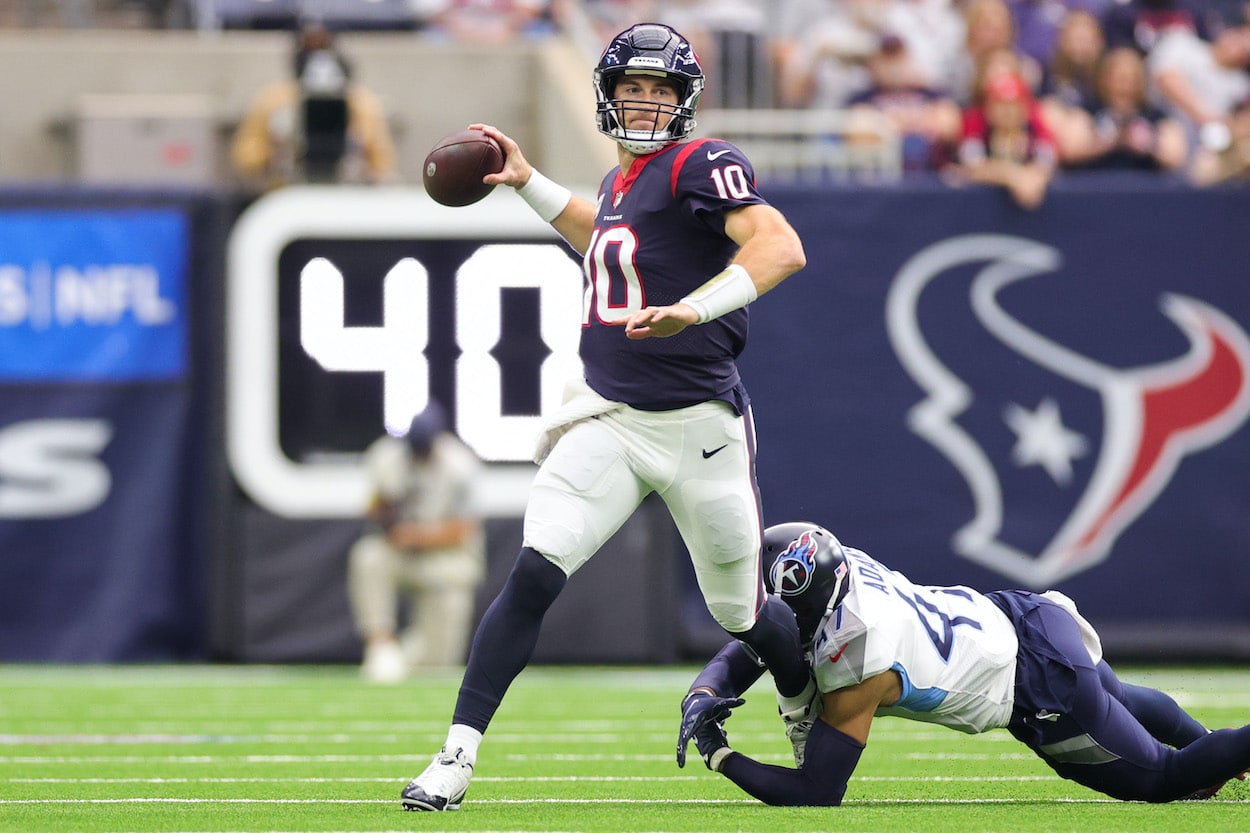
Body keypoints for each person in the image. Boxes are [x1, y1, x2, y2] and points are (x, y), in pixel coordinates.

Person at [399, 22, 814, 812]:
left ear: (685, 101)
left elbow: (780, 246)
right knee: (532, 571)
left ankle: (801, 705)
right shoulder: (622, 182)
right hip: (613, 418)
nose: (648, 104)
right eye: (634, 89)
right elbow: (607, 244)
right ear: (608, 96)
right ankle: (456, 755)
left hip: (700, 427)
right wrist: (526, 181)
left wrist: (692, 308)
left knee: (742, 611)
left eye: (662, 91)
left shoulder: (700, 163)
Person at [676, 521, 1250, 805]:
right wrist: (705, 691)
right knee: (1119, 699)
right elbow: (770, 631)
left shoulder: (859, 667)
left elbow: (817, 790)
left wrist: (719, 754)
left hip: (1034, 688)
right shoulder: (838, 563)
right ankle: (1215, 746)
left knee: (1163, 781)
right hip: (1022, 616)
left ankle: (1225, 750)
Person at [347, 403, 485, 684]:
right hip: (400, 552)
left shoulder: (460, 465)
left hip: (447, 559)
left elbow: (462, 530)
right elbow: (372, 509)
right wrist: (387, 514)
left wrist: (417, 535)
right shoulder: (386, 457)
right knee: (369, 556)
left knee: (439, 663)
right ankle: (381, 645)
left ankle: (410, 652)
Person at [230, 22, 397, 191]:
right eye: (309, 49)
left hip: (346, 193)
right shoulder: (273, 100)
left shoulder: (362, 103)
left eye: (322, 47)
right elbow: (244, 159)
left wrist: (358, 158)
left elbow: (384, 165)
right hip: (287, 191)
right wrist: (276, 150)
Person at [1063, 46, 1189, 171]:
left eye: (1133, 79)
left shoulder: (1155, 116)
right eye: (1120, 78)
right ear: (1105, 79)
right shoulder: (1088, 111)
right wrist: (1111, 142)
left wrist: (1147, 145)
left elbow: (1175, 157)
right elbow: (1070, 149)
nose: (1126, 85)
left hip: (1146, 185)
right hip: (1094, 184)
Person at [947, 70, 1059, 209]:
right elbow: (974, 166)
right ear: (988, 108)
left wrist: (1035, 178)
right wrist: (1014, 177)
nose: (1008, 113)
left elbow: (1046, 164)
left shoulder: (1036, 132)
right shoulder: (977, 130)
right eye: (1000, 105)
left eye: (1014, 105)